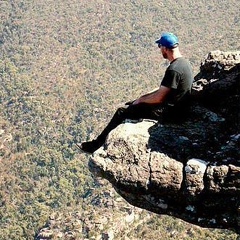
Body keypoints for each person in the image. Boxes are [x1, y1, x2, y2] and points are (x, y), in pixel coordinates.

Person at [77, 32, 194, 153]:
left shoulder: (173, 70)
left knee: (122, 112)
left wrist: (140, 101)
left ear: (165, 48)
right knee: (135, 105)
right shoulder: (185, 63)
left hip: (171, 114)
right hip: (180, 110)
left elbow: (159, 97)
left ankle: (95, 145)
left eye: (160, 47)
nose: (160, 50)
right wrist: (141, 98)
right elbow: (165, 91)